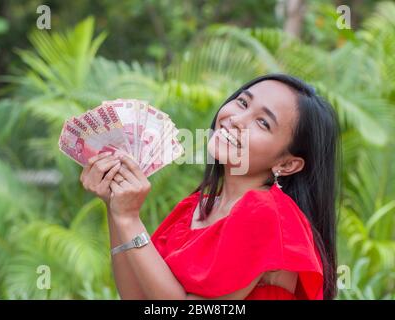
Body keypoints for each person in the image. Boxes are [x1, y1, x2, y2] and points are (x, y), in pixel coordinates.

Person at [79, 74, 341, 300]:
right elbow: (137, 296)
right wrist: (116, 209)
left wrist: (129, 218)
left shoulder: (267, 214)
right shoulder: (194, 208)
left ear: (287, 164)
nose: (237, 119)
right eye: (242, 102)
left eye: (263, 123)